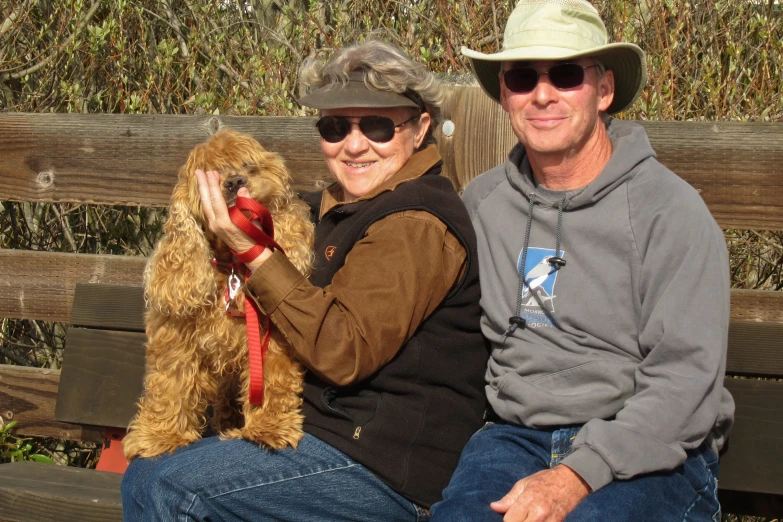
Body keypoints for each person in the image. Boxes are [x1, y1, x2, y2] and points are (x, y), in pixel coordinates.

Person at [121, 39, 488, 522]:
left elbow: (343, 350)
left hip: (382, 469)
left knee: (165, 484)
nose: (354, 145)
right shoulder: (330, 208)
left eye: (377, 126)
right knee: (159, 465)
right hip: (317, 443)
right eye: (335, 127)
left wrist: (251, 250)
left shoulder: (416, 223)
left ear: (420, 129)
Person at [429, 1, 734, 521]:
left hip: (650, 449)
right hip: (512, 437)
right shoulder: (482, 204)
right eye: (522, 77)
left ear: (605, 90)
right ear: (504, 94)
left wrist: (576, 475)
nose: (542, 94)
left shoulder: (669, 212)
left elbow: (684, 380)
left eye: (566, 75)